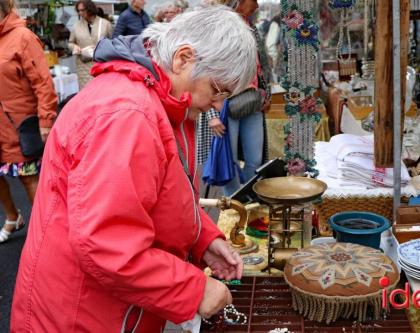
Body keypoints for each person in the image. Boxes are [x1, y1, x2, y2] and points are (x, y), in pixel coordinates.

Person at [11, 6, 256, 332]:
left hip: (110, 310)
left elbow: (165, 198)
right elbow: (106, 244)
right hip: (81, 316)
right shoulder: (127, 114)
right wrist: (193, 289)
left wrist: (202, 239)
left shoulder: (164, 102)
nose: (218, 105)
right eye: (218, 90)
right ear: (183, 58)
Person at [0, 0, 57, 243]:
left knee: (28, 177)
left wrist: (45, 120)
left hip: (19, 123)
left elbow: (44, 84)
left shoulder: (23, 36)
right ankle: (13, 217)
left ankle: (46, 234)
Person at [217, 0, 271, 196]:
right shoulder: (222, 26)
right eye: (253, 0)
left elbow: (262, 66)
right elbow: (208, 65)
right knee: (229, 159)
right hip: (226, 101)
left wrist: (266, 94)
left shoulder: (251, 27)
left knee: (255, 159)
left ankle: (247, 196)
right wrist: (213, 109)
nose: (257, 4)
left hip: (252, 99)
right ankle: (233, 201)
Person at [69, 0, 113, 88]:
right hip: (83, 67)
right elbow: (70, 43)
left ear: (90, 9)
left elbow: (112, 43)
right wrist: (75, 47)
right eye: (78, 10)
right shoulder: (76, 26)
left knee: (102, 92)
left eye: (82, 10)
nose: (80, 13)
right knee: (87, 94)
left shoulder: (105, 24)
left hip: (102, 65)